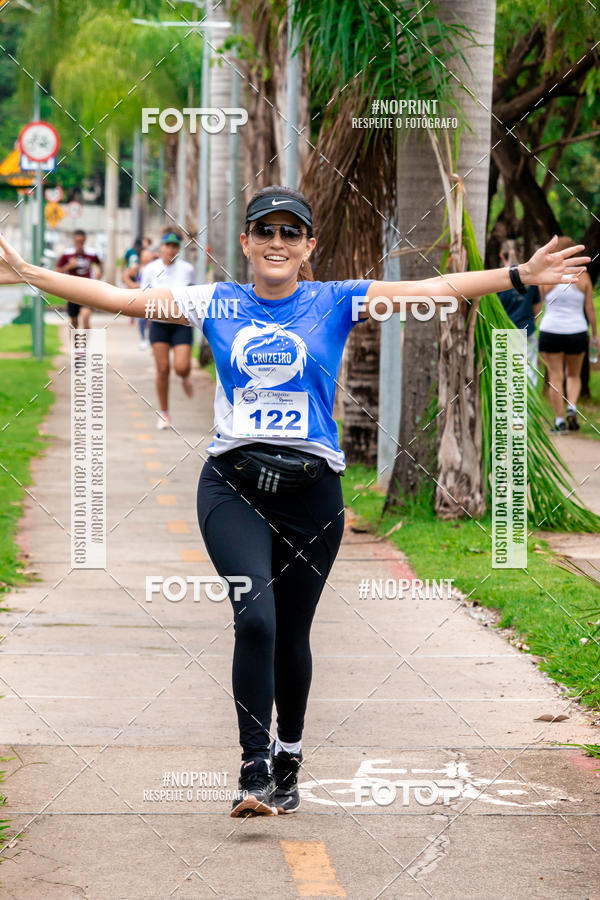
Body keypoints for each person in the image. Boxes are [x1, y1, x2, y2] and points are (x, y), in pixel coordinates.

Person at [0, 186, 589, 817]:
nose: (277, 243)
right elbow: (119, 298)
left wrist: (518, 276)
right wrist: (27, 273)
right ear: (247, 244)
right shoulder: (214, 301)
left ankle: (289, 754)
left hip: (313, 493)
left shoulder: (336, 300)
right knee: (255, 618)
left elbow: (436, 289)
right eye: (264, 232)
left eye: (290, 234)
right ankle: (253, 768)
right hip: (234, 483)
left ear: (308, 247)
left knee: (292, 635)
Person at [538, 236, 598, 432]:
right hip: (577, 332)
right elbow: (590, 309)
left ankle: (559, 421)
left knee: (555, 377)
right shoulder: (584, 277)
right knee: (573, 375)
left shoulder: (547, 275)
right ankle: (572, 406)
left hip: (551, 330)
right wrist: (595, 334)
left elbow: (541, 301)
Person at [140, 231, 195, 429]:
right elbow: (142, 295)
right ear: (161, 247)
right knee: (162, 370)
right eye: (167, 245)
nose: (170, 249)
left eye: (174, 246)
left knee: (181, 367)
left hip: (181, 324)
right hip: (159, 325)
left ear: (178, 249)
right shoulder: (151, 269)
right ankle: (164, 413)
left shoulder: (187, 269)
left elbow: (193, 296)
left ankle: (184, 377)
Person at [497, 239, 542, 387]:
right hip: (527, 329)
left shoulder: (495, 281)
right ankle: (528, 407)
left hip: (504, 332)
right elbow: (537, 309)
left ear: (501, 256)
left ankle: (510, 408)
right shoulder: (530, 279)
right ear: (521, 253)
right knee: (528, 369)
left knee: (506, 372)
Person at [55, 229, 102, 329]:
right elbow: (57, 271)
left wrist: (98, 276)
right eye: (77, 241)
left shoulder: (91, 253)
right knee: (74, 323)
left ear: (85, 240)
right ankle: (75, 344)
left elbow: (100, 265)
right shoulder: (67, 253)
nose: (79, 244)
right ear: (74, 240)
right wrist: (68, 266)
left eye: (82, 241)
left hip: (87, 290)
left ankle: (86, 344)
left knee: (85, 318)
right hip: (72, 291)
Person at [123, 244, 154, 350]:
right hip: (141, 296)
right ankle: (143, 339)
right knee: (142, 319)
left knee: (152, 319)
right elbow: (125, 276)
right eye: (145, 255)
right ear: (141, 257)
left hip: (153, 296)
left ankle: (151, 339)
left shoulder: (155, 267)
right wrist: (133, 285)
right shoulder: (137, 267)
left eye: (149, 255)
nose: (147, 257)